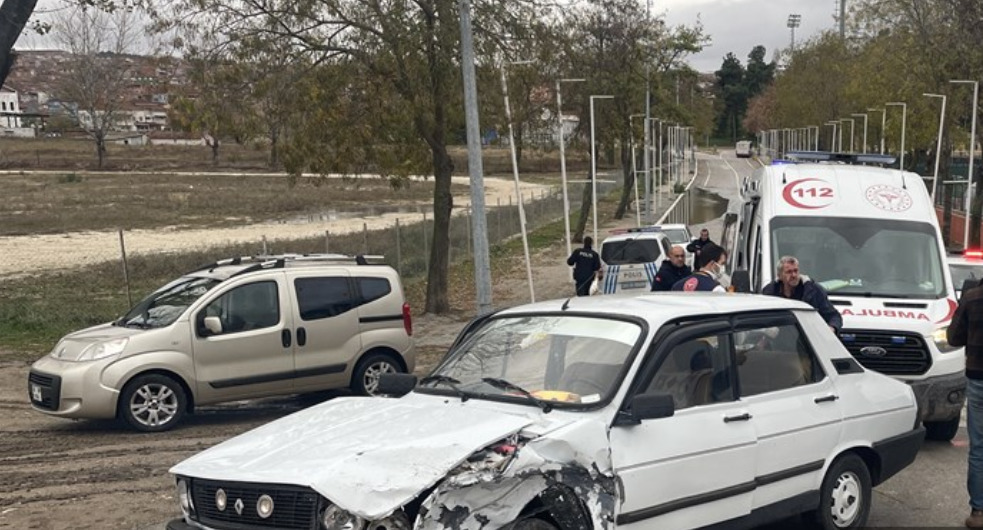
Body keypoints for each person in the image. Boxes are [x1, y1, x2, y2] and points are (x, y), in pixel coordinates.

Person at [948, 278, 983, 528]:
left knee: (979, 449)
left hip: (978, 379)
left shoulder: (972, 298)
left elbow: (953, 337)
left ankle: (979, 513)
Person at [761, 256, 843, 333]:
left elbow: (834, 316)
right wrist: (766, 331)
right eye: (789, 272)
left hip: (808, 341)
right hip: (779, 342)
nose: (794, 275)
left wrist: (832, 328)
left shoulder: (813, 290)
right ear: (780, 276)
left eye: (796, 271)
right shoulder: (769, 293)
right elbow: (761, 319)